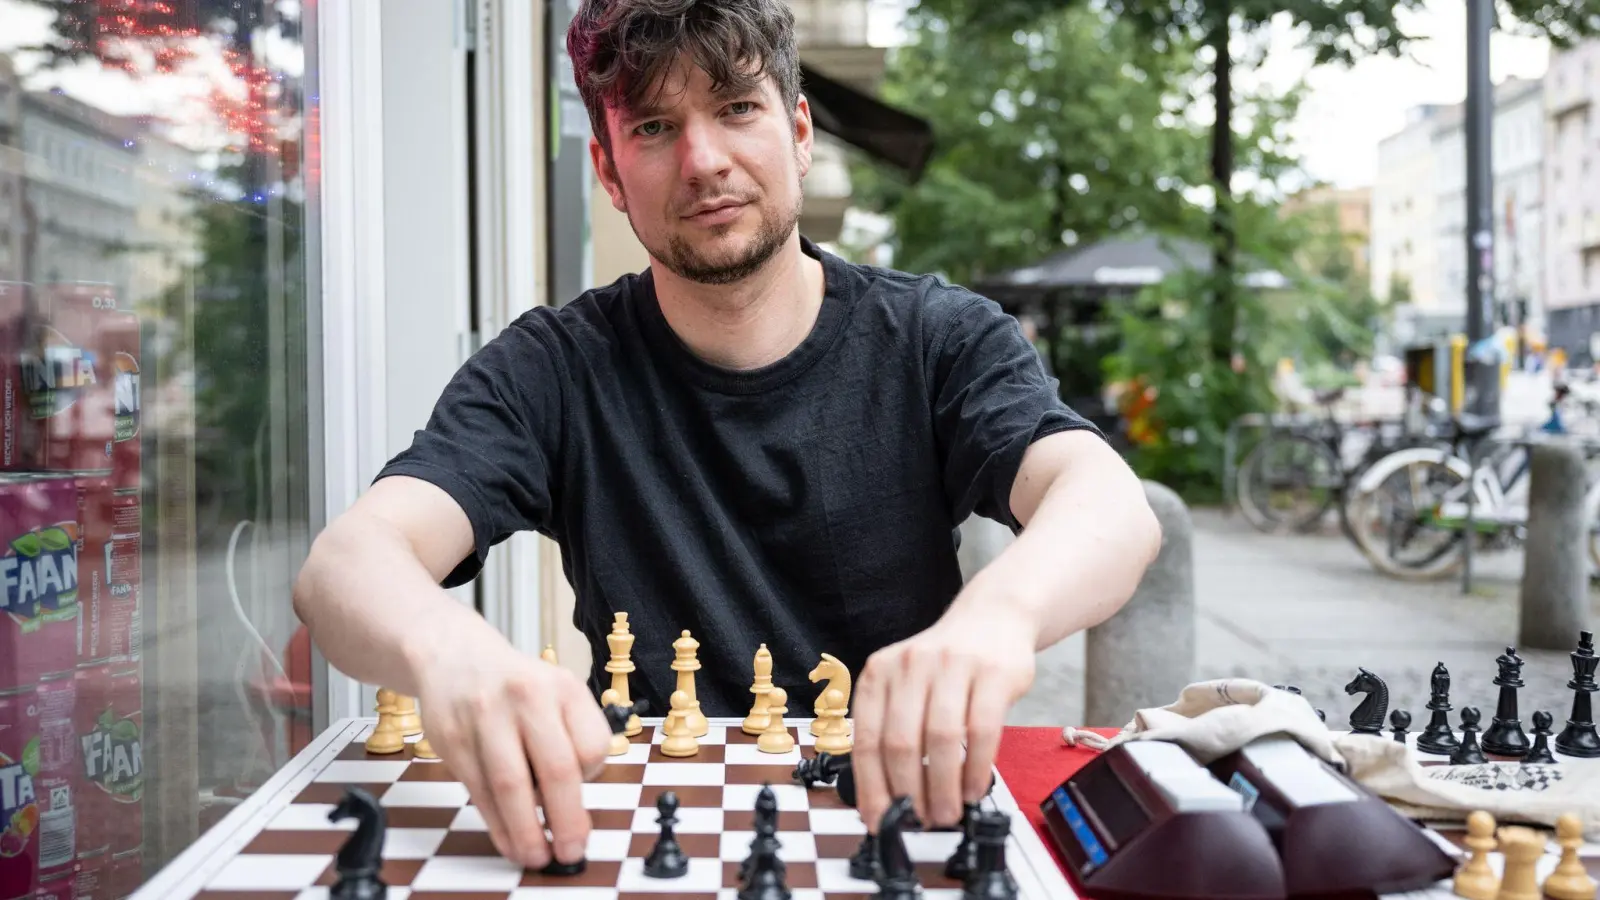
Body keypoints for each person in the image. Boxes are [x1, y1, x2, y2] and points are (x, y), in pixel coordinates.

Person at [292, 0, 1162, 874]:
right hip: (630, 831)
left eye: (737, 107)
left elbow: (1109, 506)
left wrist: (997, 622)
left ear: (799, 132)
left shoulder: (940, 338)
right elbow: (345, 564)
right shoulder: (553, 368)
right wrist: (447, 650)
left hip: (894, 822)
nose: (703, 161)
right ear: (608, 169)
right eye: (657, 126)